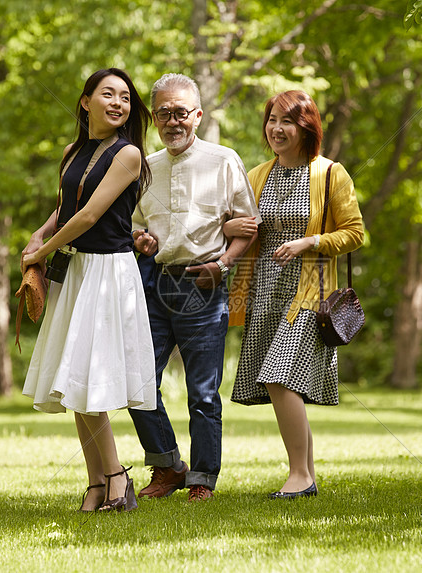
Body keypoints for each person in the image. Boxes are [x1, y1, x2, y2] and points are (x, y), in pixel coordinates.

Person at [21, 68, 155, 513]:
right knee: (73, 379)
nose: (118, 103)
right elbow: (65, 209)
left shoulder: (129, 154)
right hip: (75, 270)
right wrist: (38, 238)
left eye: (125, 97)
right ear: (85, 102)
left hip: (108, 272)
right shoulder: (72, 151)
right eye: (107, 94)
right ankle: (95, 484)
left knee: (90, 381)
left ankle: (117, 479)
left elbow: (89, 218)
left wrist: (43, 254)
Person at [129, 73, 260, 502]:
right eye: (163, 113)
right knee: (137, 381)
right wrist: (142, 240)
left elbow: (249, 226)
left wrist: (223, 264)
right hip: (156, 284)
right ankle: (167, 467)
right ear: (153, 118)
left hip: (204, 285)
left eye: (181, 112)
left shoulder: (224, 160)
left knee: (203, 394)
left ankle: (202, 479)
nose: (172, 121)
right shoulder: (144, 167)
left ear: (197, 115)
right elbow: (136, 230)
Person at [227, 90, 365, 499]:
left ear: (307, 128)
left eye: (286, 121)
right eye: (272, 120)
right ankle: (304, 475)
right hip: (264, 292)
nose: (276, 128)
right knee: (278, 381)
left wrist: (310, 243)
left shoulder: (329, 174)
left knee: (279, 379)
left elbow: (354, 233)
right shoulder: (257, 175)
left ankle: (299, 475)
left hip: (310, 294)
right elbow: (236, 226)